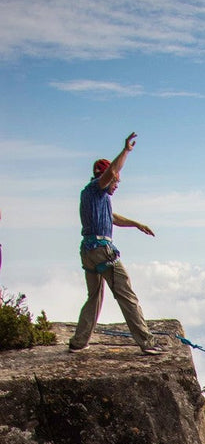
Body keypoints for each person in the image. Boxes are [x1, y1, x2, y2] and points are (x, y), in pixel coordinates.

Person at [69, 133, 162, 355]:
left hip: (88, 251)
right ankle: (146, 342)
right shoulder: (96, 188)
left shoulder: (94, 197)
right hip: (102, 251)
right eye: (116, 181)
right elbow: (111, 172)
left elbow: (113, 218)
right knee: (126, 294)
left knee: (94, 297)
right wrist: (126, 151)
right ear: (107, 178)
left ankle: (79, 342)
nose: (117, 185)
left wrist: (137, 224)